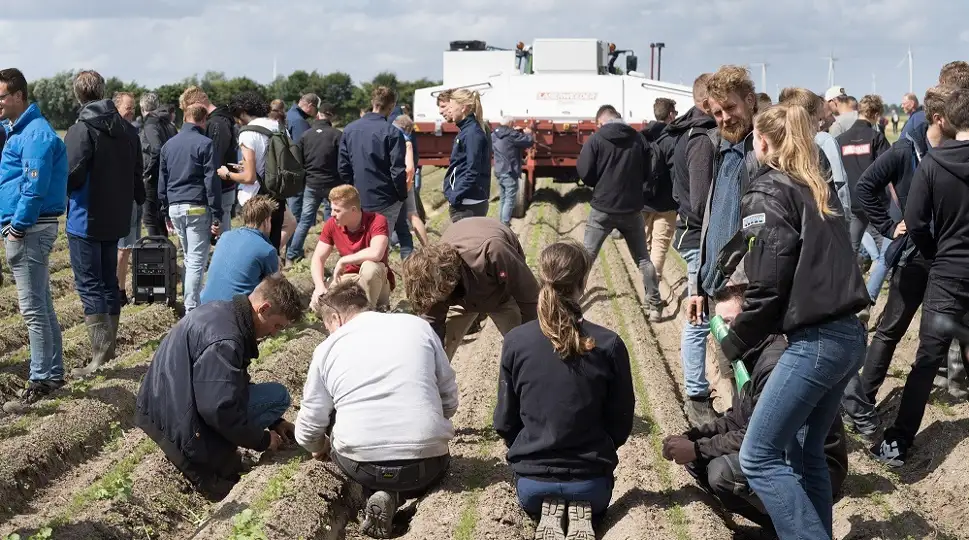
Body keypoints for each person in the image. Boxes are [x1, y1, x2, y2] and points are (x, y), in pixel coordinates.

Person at [717, 104, 868, 539]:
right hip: (848, 336)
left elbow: (767, 286)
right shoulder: (817, 187)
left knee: (758, 457)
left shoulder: (766, 193)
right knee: (805, 456)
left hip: (816, 342)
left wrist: (735, 342)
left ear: (762, 143)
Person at [664, 281, 848, 532]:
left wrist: (696, 448)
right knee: (700, 459)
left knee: (721, 472)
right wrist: (694, 437)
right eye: (720, 324)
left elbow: (757, 435)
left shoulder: (774, 365)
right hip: (777, 451)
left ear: (753, 318)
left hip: (813, 467)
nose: (723, 332)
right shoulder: (750, 354)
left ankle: (796, 528)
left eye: (730, 321)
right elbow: (738, 418)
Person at [494, 241, 634, 539]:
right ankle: (578, 509)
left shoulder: (517, 341)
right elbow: (621, 423)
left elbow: (505, 422)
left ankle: (550, 507)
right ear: (582, 283)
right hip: (592, 485)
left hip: (532, 484)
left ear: (542, 278)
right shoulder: (608, 344)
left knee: (540, 492)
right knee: (585, 494)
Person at [295, 282, 458, 539]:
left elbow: (308, 428)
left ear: (335, 317)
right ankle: (399, 495)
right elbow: (448, 397)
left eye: (328, 327)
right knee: (428, 464)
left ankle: (379, 492)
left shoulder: (327, 349)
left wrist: (320, 446)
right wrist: (436, 420)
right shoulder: (418, 326)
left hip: (363, 467)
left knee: (338, 414)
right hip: (426, 465)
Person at [846, 85, 954, 438]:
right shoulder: (905, 150)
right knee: (892, 328)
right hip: (912, 256)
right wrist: (890, 226)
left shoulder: (954, 151)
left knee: (938, 336)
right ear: (939, 118)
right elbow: (865, 187)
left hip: (946, 258)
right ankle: (862, 399)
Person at [136, 274, 304, 500]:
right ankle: (217, 457)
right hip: (180, 426)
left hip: (162, 404)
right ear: (263, 309)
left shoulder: (223, 312)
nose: (275, 334)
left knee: (273, 397)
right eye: (277, 326)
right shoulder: (227, 340)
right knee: (278, 396)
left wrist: (276, 422)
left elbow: (228, 384)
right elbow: (218, 409)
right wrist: (262, 440)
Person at [872, 88, 969, 468]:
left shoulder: (933, 164)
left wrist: (934, 252)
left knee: (927, 359)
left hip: (946, 273)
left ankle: (897, 443)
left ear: (950, 119)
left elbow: (914, 222)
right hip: (948, 268)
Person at [686, 65, 761, 427]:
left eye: (730, 108)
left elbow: (764, 228)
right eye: (717, 112)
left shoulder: (762, 153)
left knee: (755, 371)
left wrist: (743, 283)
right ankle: (741, 440)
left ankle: (755, 448)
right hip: (720, 285)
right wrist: (700, 283)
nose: (724, 117)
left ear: (749, 100)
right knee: (733, 372)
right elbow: (711, 223)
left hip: (747, 287)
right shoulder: (723, 151)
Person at [65, 71, 145, 378]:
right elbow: (138, 173)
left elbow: (72, 173)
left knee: (89, 284)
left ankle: (100, 356)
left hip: (86, 217)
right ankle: (107, 352)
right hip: (117, 216)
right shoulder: (127, 130)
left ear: (79, 96)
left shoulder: (81, 129)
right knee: (110, 281)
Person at [0, 68, 69, 409]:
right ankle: (52, 373)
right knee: (41, 304)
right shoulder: (20, 131)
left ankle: (41, 379)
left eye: (1, 96)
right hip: (32, 227)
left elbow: (34, 186)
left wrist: (17, 226)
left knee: (32, 310)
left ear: (19, 96)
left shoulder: (35, 135)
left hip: (29, 228)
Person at [403, 217, 538, 359]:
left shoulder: (493, 251)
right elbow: (432, 324)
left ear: (447, 282)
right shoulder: (433, 276)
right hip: (462, 298)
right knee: (436, 350)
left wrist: (530, 339)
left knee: (524, 346)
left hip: (501, 294)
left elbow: (529, 298)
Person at [578, 104, 664, 320]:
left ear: (601, 122)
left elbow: (584, 171)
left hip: (602, 208)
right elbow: (648, 171)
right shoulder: (638, 139)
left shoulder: (596, 139)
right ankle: (654, 306)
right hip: (632, 209)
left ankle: (572, 303)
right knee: (643, 259)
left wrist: (599, 182)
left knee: (586, 258)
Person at [667, 74, 718, 425]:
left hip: (693, 233)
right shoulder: (701, 140)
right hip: (698, 236)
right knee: (699, 317)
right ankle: (696, 394)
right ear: (706, 102)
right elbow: (700, 203)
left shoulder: (689, 133)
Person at [159, 103, 222, 312]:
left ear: (185, 118)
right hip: (196, 206)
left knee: (188, 257)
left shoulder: (168, 145)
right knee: (196, 260)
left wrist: (164, 209)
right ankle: (192, 309)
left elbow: (163, 180)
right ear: (203, 120)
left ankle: (191, 302)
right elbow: (211, 181)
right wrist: (216, 213)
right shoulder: (205, 144)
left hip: (175, 207)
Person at [219, 91, 296, 253]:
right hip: (277, 196)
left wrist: (227, 174)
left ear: (242, 112)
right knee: (272, 248)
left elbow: (249, 177)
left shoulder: (248, 133)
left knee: (254, 250)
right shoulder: (279, 128)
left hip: (256, 201)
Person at [309, 185, 393, 310]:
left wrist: (344, 260)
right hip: (348, 279)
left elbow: (376, 253)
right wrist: (319, 286)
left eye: (337, 210)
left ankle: (369, 312)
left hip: (376, 280)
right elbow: (318, 259)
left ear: (353, 210)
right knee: (317, 305)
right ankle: (351, 312)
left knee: (370, 268)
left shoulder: (377, 221)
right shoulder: (332, 225)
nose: (332, 214)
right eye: (332, 209)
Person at [777, 87, 851, 228]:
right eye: (819, 119)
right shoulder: (823, 141)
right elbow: (839, 184)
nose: (819, 126)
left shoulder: (771, 147)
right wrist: (845, 221)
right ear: (808, 117)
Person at [837, 95, 891, 285]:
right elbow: (889, 168)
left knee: (851, 246)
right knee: (885, 243)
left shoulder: (840, 140)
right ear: (876, 114)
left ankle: (847, 282)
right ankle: (885, 280)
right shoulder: (876, 138)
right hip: (875, 200)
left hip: (851, 200)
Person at [338, 86, 408, 229]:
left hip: (358, 198)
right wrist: (401, 195)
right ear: (392, 106)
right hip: (385, 199)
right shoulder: (393, 133)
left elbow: (343, 167)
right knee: (380, 246)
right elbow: (397, 169)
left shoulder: (349, 129)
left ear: (372, 102)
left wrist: (353, 188)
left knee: (359, 244)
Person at [286, 102, 344, 265]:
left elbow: (299, 161)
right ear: (332, 116)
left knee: (304, 220)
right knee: (332, 219)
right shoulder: (337, 135)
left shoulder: (306, 135)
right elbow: (342, 162)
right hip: (332, 184)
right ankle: (335, 251)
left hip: (311, 184)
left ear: (318, 114)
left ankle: (291, 255)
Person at [181, 86, 239, 234]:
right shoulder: (218, 121)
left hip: (221, 189)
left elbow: (215, 160)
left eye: (190, 108)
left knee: (222, 234)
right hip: (219, 187)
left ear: (199, 102)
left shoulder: (216, 123)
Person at [200, 196, 280, 304]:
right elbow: (274, 288)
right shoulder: (267, 250)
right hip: (232, 313)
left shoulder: (225, 236)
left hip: (203, 305)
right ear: (266, 221)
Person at [640, 98, 678, 281]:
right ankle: (653, 290)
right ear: (670, 114)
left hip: (643, 201)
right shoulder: (673, 139)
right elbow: (676, 173)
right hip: (666, 203)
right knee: (659, 247)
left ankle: (646, 286)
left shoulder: (641, 136)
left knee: (644, 247)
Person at [113, 91, 144, 307]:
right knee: (123, 248)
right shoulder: (113, 133)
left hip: (132, 196)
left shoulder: (133, 132)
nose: (131, 111)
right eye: (128, 107)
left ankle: (120, 287)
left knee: (127, 247)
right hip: (120, 198)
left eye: (133, 107)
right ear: (116, 108)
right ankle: (118, 290)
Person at [443, 89, 492, 222]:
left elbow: (472, 170)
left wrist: (456, 196)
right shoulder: (467, 131)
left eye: (452, 107)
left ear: (463, 108)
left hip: (468, 204)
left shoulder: (472, 134)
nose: (449, 111)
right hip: (465, 201)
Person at [139, 92, 178, 237]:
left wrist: (147, 172)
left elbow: (157, 148)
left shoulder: (150, 124)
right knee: (162, 218)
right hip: (168, 176)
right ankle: (165, 254)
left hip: (154, 178)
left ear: (142, 108)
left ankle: (156, 255)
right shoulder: (168, 124)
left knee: (150, 219)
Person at [392, 114, 430, 247]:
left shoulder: (393, 138)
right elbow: (411, 167)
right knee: (413, 215)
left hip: (395, 182)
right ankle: (427, 247)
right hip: (407, 182)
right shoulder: (408, 140)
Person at [491, 117, 535, 226]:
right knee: (510, 199)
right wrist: (528, 133)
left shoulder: (494, 135)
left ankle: (501, 223)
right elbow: (528, 142)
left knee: (503, 197)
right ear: (510, 123)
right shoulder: (511, 135)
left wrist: (514, 130)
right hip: (509, 170)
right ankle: (505, 223)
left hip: (499, 169)